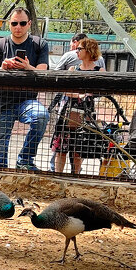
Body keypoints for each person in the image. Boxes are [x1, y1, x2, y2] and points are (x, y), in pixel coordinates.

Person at [0, 8, 50, 171]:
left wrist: (28, 67)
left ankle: (25, 158)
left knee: (41, 116)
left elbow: (44, 71)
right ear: (9, 25)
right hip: (1, 103)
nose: (18, 27)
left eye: (22, 23)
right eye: (14, 23)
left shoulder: (39, 44)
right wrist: (2, 67)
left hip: (26, 101)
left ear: (29, 24)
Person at [50, 38, 104, 175]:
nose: (77, 51)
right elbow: (65, 90)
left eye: (80, 49)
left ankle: (76, 176)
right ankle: (58, 175)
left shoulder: (99, 70)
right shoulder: (73, 69)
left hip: (87, 112)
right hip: (68, 111)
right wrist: (79, 95)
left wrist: (85, 95)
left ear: (89, 50)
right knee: (61, 149)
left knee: (78, 150)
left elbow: (102, 91)